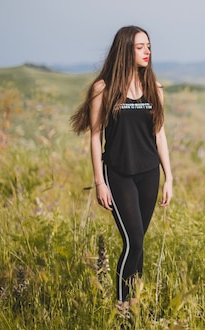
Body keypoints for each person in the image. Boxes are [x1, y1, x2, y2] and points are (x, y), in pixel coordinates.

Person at [70, 25, 173, 311]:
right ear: (126, 50)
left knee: (138, 243)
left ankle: (136, 306)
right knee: (133, 244)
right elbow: (94, 136)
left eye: (149, 46)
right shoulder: (103, 89)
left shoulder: (155, 89)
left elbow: (160, 133)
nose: (147, 51)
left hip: (149, 174)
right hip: (118, 175)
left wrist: (169, 177)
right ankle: (122, 309)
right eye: (140, 47)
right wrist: (99, 182)